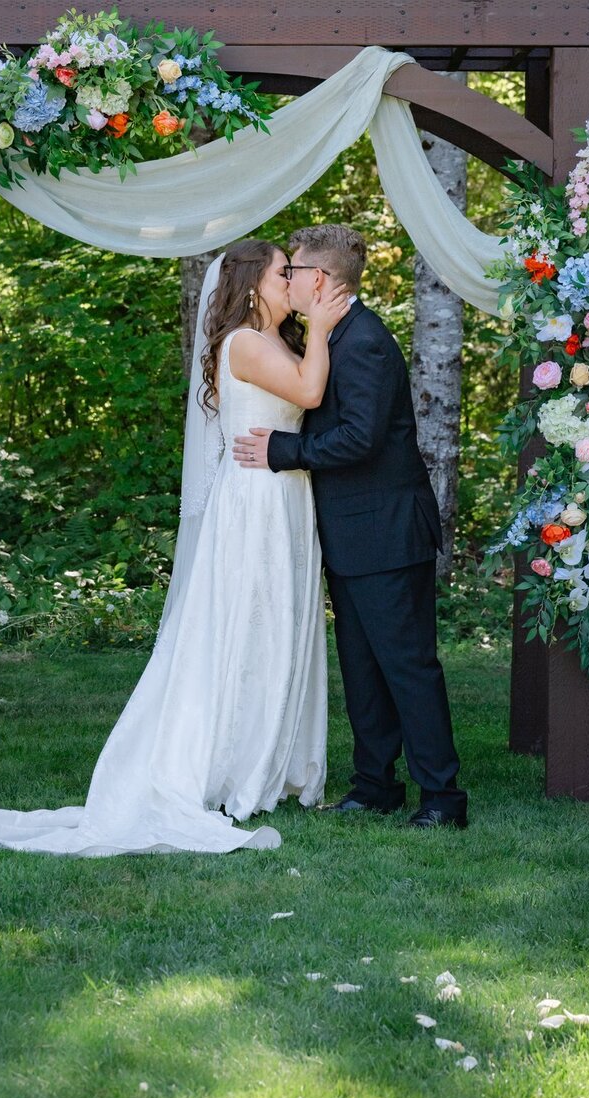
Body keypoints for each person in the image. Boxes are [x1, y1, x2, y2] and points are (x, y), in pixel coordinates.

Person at [0, 240, 350, 855]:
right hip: (254, 503)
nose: (294, 282)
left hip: (283, 497)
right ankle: (235, 763)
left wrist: (314, 331)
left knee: (275, 624)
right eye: (283, 273)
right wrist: (326, 327)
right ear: (252, 285)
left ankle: (266, 755)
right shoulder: (245, 343)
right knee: (247, 625)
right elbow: (306, 393)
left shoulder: (276, 338)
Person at [233, 225, 468, 829]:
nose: (286, 282)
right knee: (362, 666)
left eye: (292, 273)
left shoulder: (361, 340)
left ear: (318, 279)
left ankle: (441, 797)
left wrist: (284, 450)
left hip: (387, 531)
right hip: (351, 532)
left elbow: (361, 439)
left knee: (408, 665)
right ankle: (374, 784)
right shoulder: (328, 336)